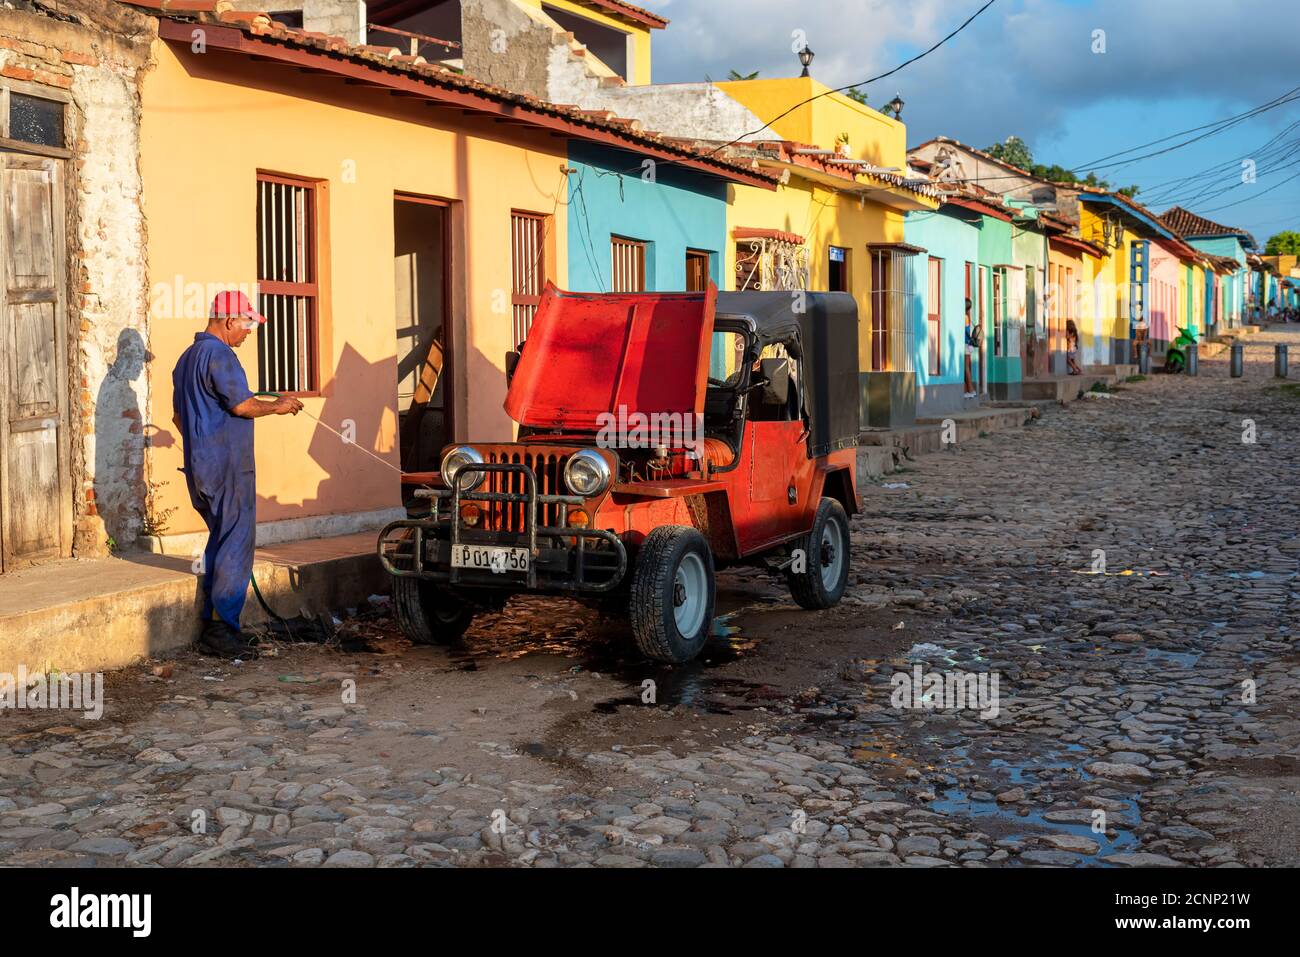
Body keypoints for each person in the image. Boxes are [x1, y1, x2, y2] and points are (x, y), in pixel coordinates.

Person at [172, 291, 303, 658]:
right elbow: (242, 405)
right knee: (236, 542)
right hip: (229, 467)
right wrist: (279, 406)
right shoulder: (220, 354)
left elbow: (179, 419)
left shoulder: (185, 360)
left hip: (201, 466)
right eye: (246, 324)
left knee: (221, 537)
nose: (248, 332)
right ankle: (220, 630)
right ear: (228, 320)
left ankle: (218, 623)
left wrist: (202, 446)